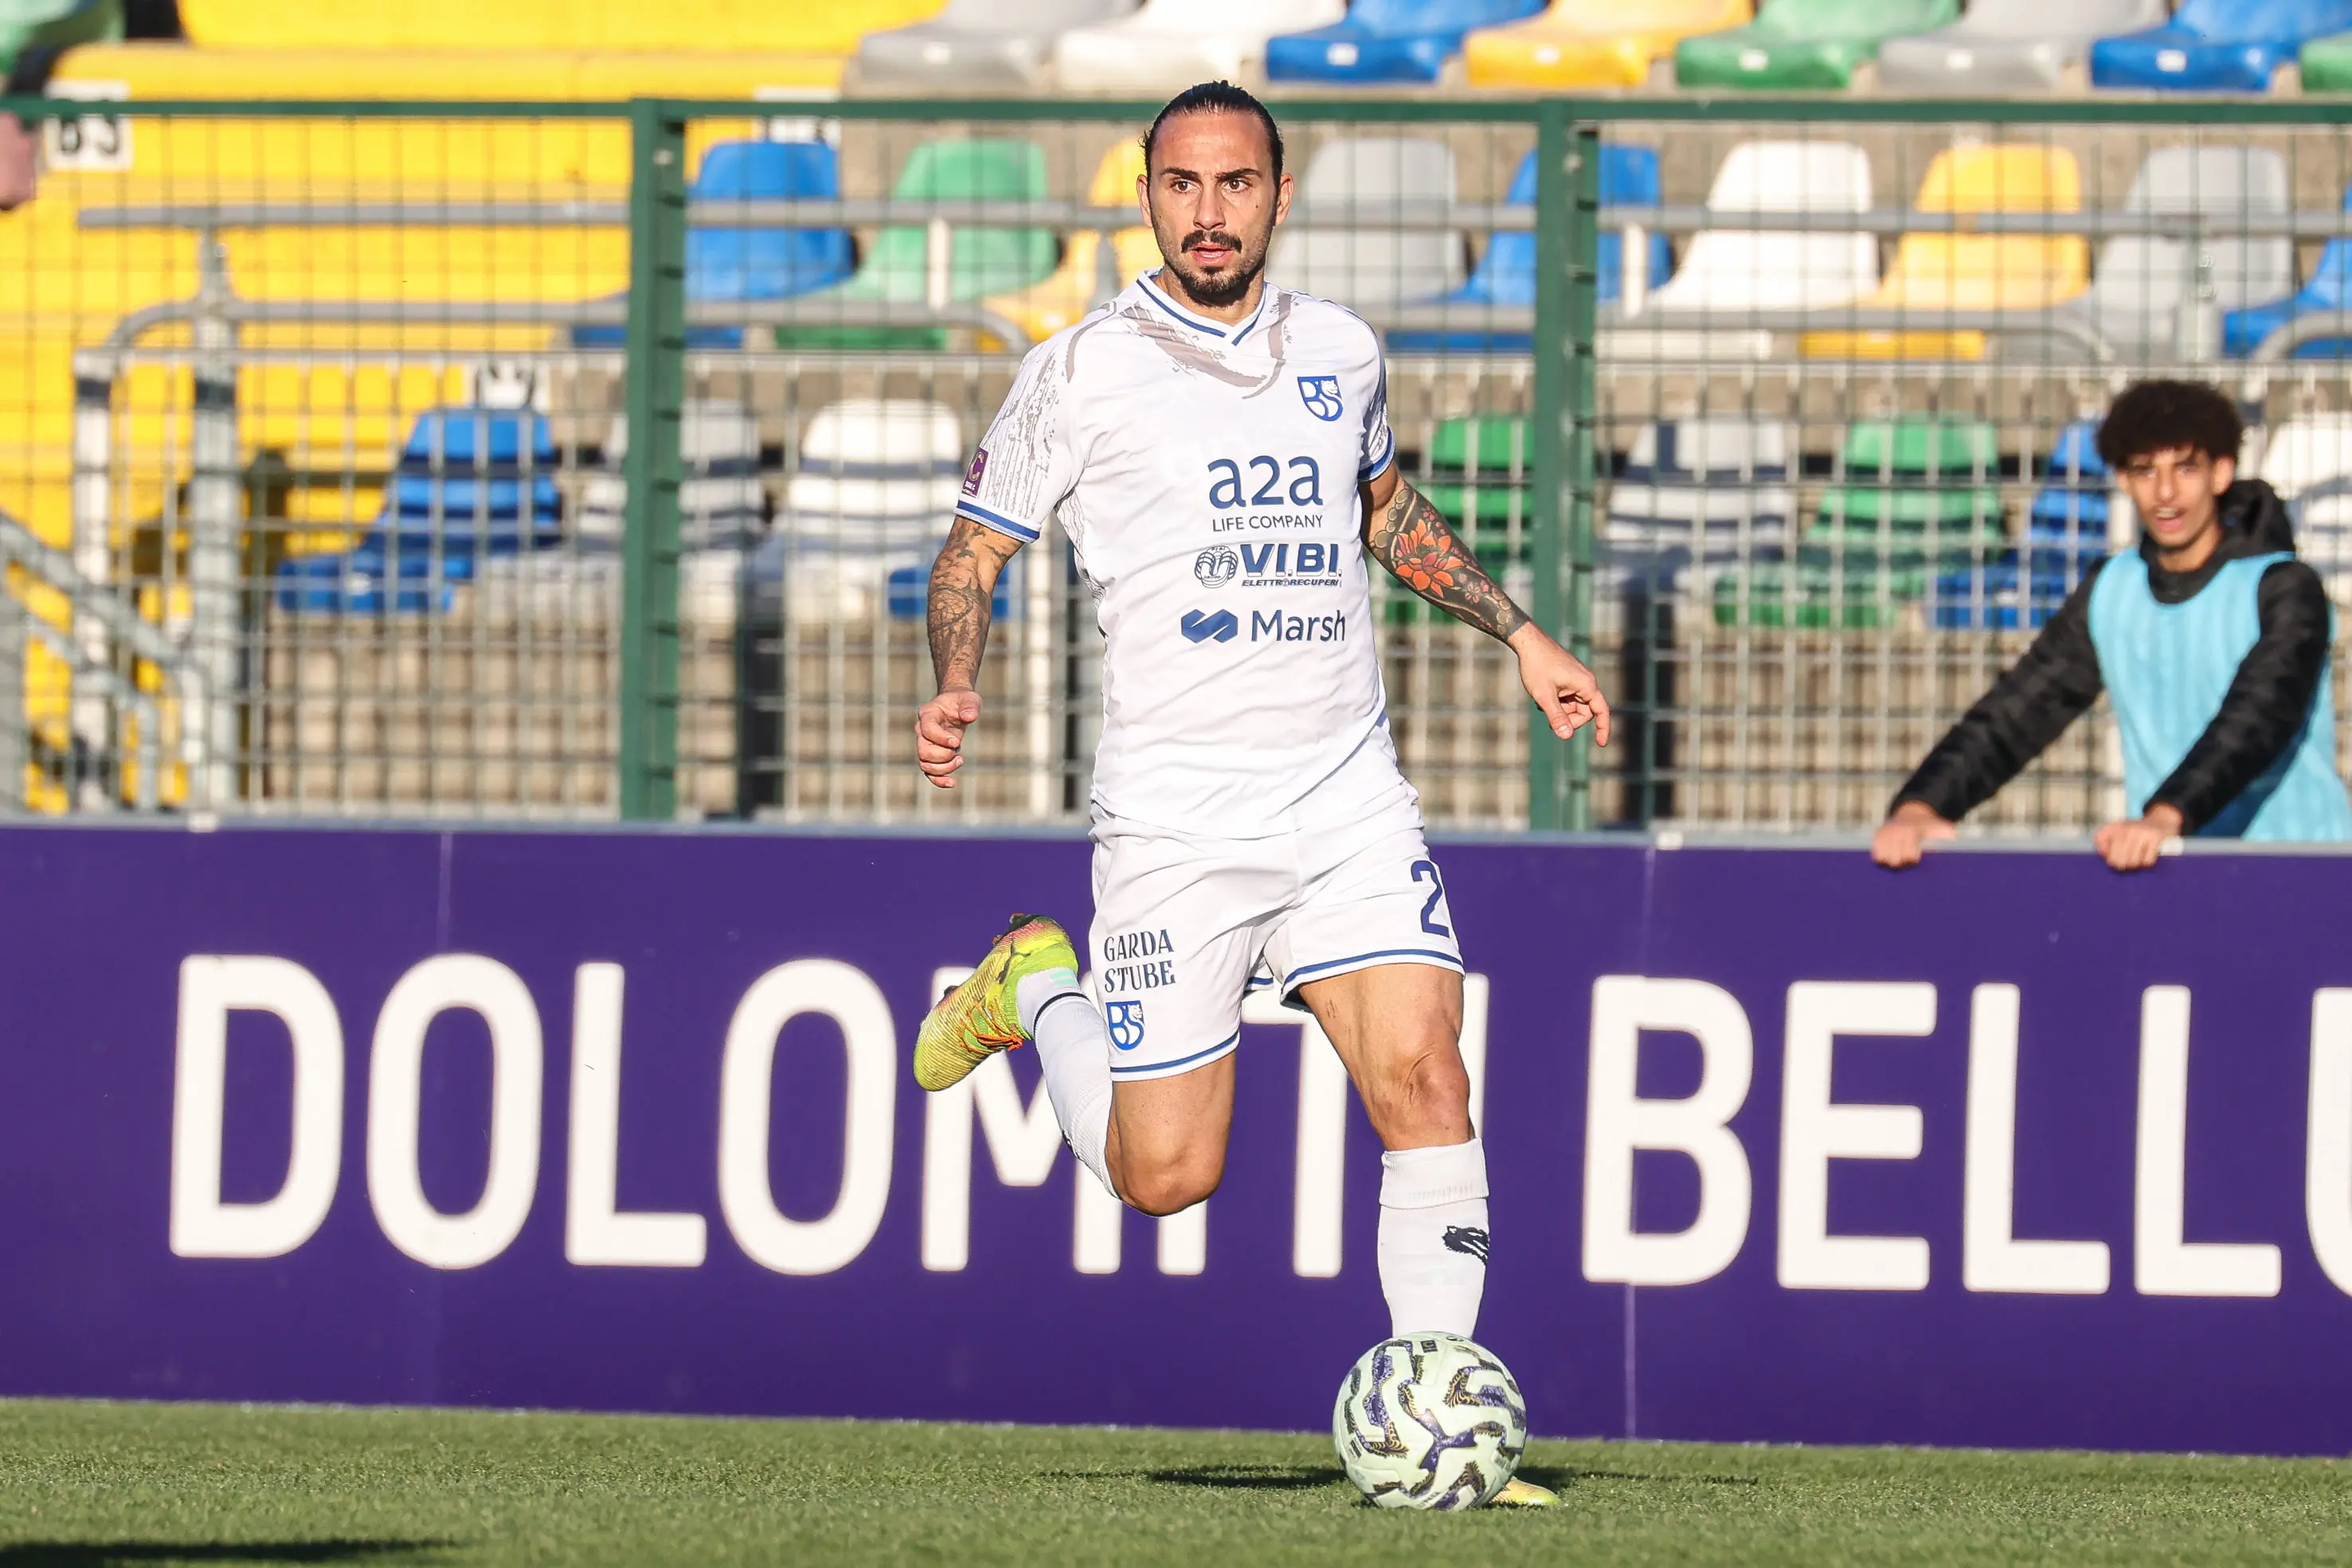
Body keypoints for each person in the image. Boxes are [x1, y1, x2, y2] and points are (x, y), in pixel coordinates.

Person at [910, 83, 1607, 1505]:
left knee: (1428, 1077)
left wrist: (1520, 632)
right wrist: (954, 680)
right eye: (1180, 184)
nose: (1207, 211)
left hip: (1345, 794)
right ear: (1146, 197)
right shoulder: (1079, 369)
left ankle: (1435, 1429)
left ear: (1278, 196)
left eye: (1234, 184)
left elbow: (1384, 512)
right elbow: (971, 553)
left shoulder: (1341, 348)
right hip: (1177, 818)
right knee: (1164, 1176)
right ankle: (1036, 984)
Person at [1874, 378, 2352, 872]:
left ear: (2221, 473)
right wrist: (1922, 806)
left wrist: (2167, 815)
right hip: (2170, 869)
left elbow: (2258, 718)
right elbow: (2020, 710)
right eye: (2145, 470)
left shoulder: (2285, 588)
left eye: (2185, 468)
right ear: (2123, 479)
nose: (2165, 493)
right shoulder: (2112, 589)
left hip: (2302, 871)